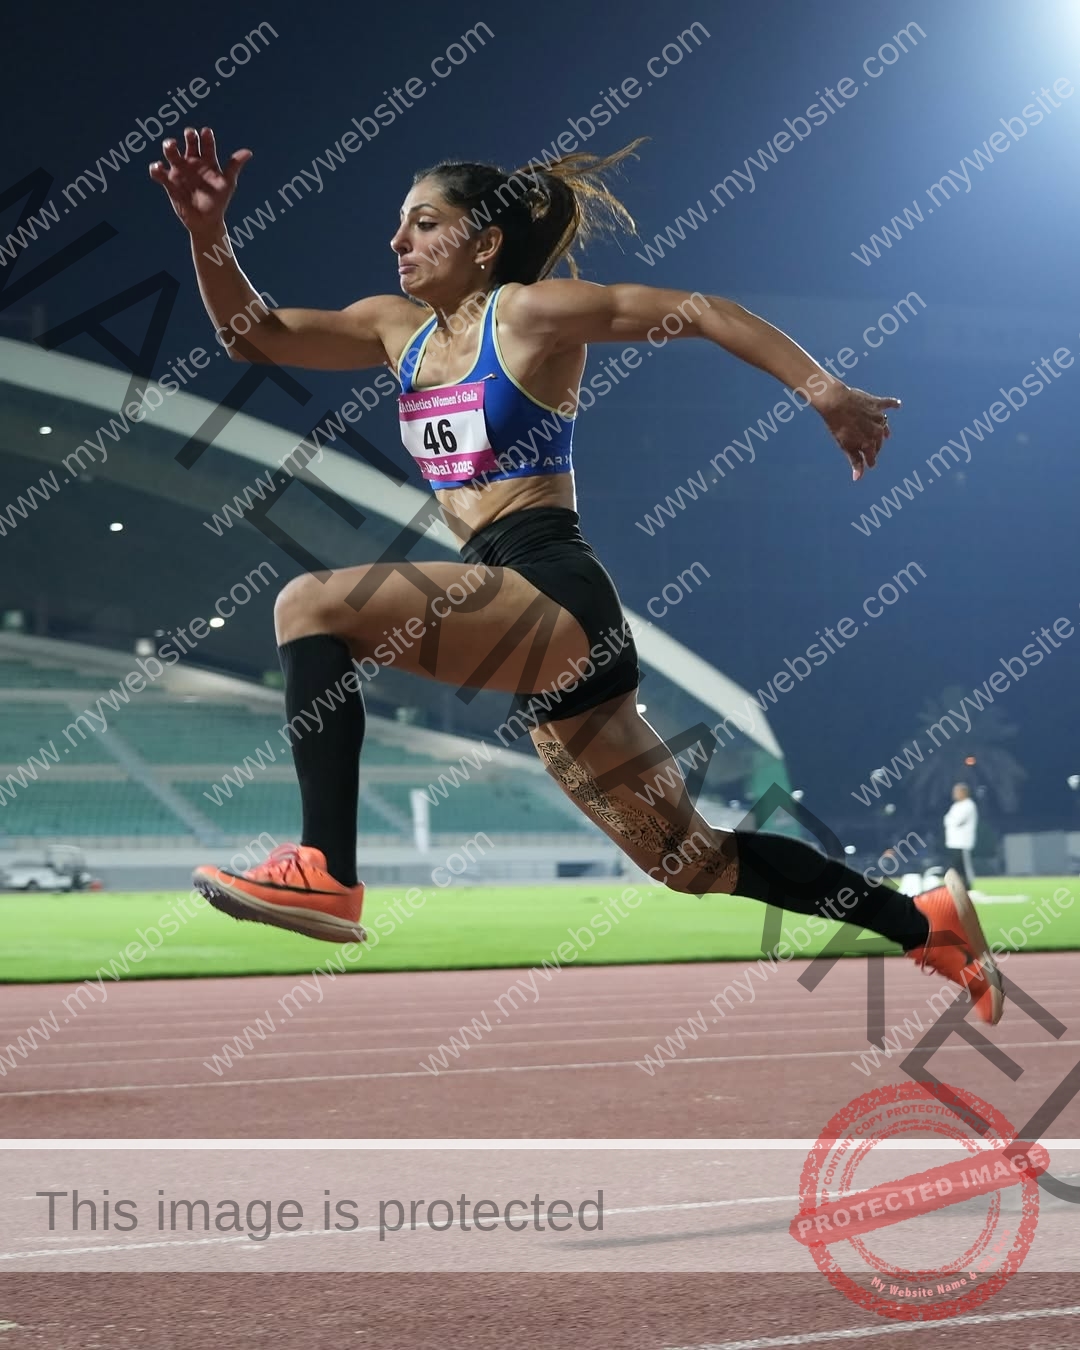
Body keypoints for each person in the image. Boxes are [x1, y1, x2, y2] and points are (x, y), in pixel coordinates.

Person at [151, 128, 1003, 1025]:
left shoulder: (528, 313)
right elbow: (254, 337)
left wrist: (822, 389)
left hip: (551, 586)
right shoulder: (390, 329)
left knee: (310, 604)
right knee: (691, 862)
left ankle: (326, 868)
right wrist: (207, 231)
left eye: (423, 223)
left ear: (483, 243)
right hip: (529, 620)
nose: (397, 242)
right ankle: (921, 920)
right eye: (397, 226)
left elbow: (704, 310)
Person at [944, 783, 978, 887]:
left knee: (964, 866)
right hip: (953, 841)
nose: (954, 794)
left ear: (964, 792)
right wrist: (950, 820)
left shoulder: (969, 805)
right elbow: (946, 820)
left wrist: (950, 820)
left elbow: (956, 820)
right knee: (956, 867)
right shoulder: (955, 806)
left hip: (963, 842)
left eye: (957, 792)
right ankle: (958, 886)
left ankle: (968, 886)